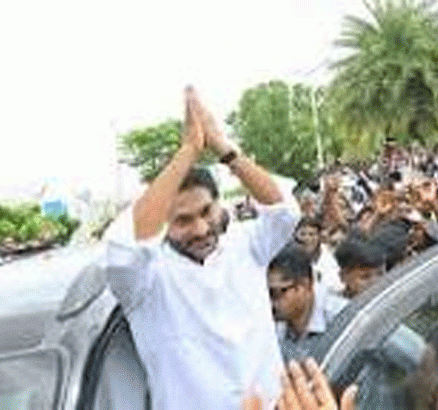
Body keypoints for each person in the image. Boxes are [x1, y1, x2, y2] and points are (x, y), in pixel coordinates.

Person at [104, 87, 300, 409]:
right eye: (183, 220)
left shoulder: (246, 245)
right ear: (163, 225)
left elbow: (286, 212)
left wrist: (223, 148)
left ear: (219, 204)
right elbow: (124, 251)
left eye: (206, 211)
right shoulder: (145, 282)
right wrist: (188, 152)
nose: (201, 229)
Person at [268, 243, 348, 359]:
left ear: (306, 285)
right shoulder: (274, 326)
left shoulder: (341, 318)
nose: (270, 302)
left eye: (275, 293)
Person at [294, 216, 344, 294]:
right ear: (296, 236)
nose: (307, 238)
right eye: (303, 234)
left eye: (311, 234)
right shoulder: (289, 256)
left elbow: (337, 286)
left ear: (319, 237)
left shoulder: (329, 259)